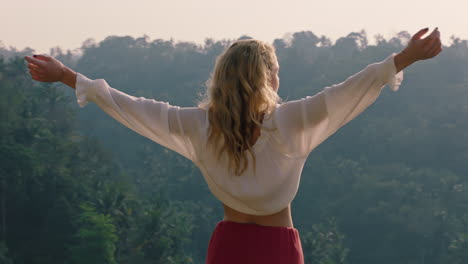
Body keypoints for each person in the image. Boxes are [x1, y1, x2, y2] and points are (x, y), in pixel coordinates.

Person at [24, 27, 442, 264]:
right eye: (275, 72)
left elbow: (128, 106)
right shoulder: (292, 120)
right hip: (280, 249)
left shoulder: (198, 126)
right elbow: (352, 89)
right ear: (267, 79)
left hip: (229, 248)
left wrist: (66, 76)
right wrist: (404, 58)